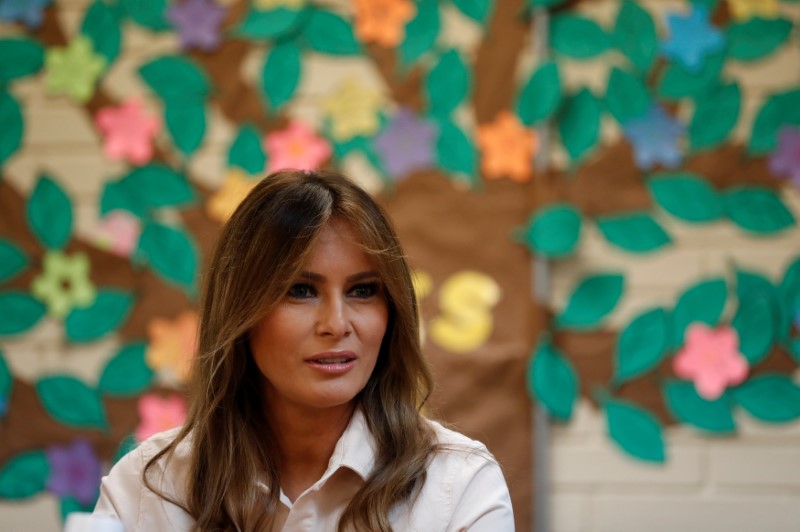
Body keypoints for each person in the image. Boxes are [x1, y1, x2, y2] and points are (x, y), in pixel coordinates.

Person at [93, 170, 514, 531]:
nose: (336, 324)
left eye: (363, 291)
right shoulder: (148, 488)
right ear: (242, 310)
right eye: (301, 291)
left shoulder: (459, 485)